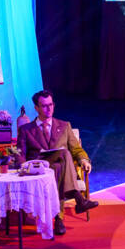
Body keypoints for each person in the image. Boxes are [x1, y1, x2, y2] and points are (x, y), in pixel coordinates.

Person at [17, 90, 98, 236]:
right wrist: (23, 168)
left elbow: (77, 150)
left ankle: (58, 219)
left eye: (51, 105)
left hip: (58, 171)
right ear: (36, 108)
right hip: (39, 169)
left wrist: (84, 160)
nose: (49, 109)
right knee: (64, 154)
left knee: (60, 163)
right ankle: (78, 198)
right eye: (44, 106)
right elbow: (20, 154)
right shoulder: (26, 130)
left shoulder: (64, 126)